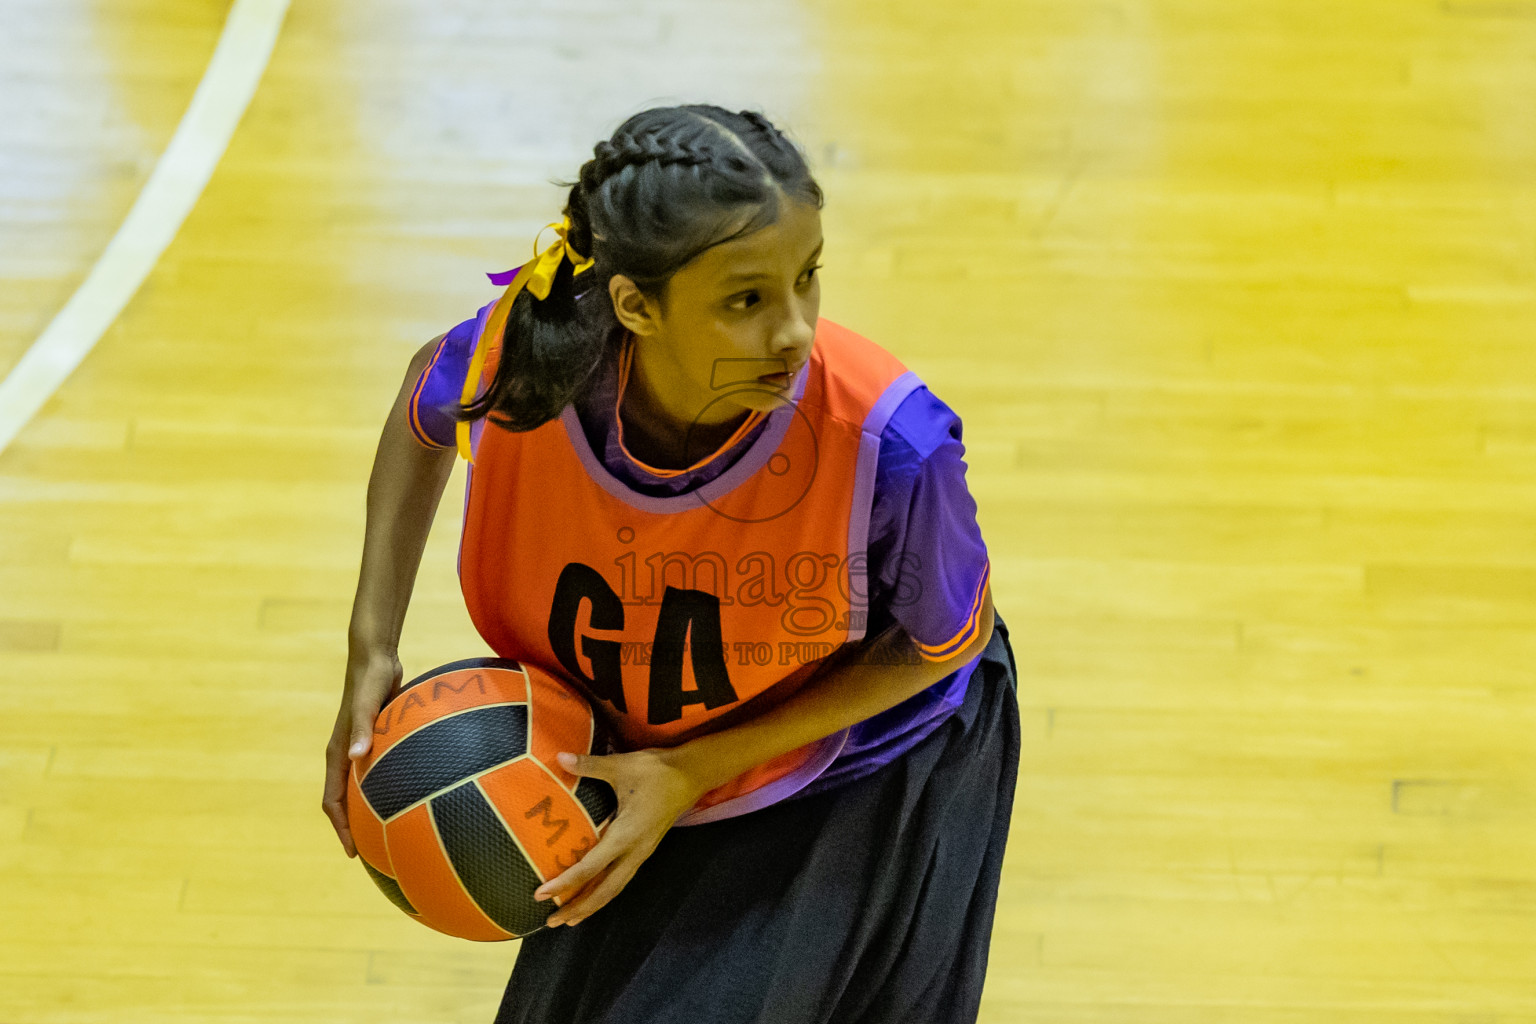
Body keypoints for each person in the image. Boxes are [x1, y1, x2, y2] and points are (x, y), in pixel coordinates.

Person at [322, 103, 1022, 1024]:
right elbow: (426, 400)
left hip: (856, 762)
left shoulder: (890, 443)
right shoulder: (536, 358)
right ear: (634, 306)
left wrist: (694, 768)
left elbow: (942, 647)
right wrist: (372, 645)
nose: (795, 331)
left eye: (807, 279)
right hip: (646, 753)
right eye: (746, 300)